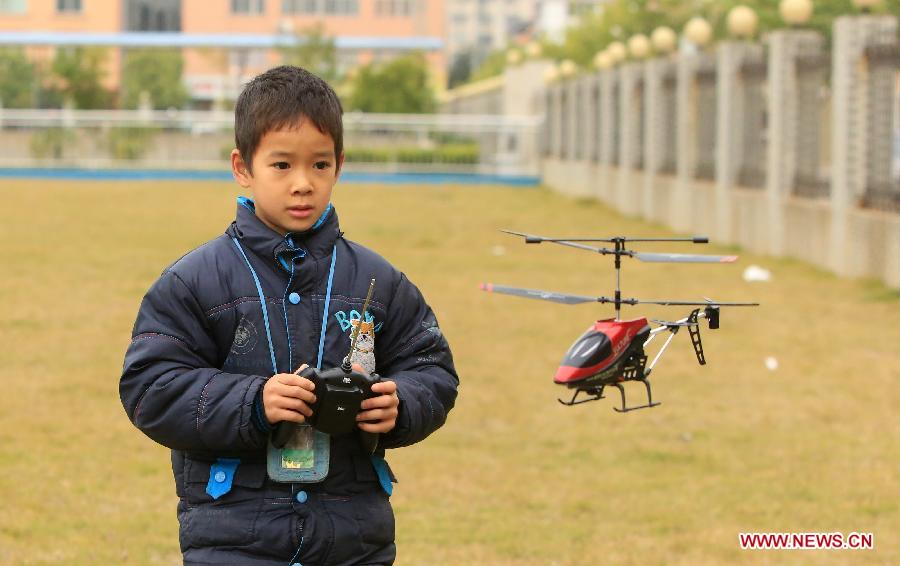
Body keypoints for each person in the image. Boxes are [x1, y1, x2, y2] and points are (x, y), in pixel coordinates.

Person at [119, 65, 458, 565]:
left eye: (319, 165)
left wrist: (401, 405)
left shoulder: (378, 281)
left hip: (353, 542)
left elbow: (432, 368)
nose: (303, 184)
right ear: (243, 167)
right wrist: (253, 400)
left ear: (339, 164)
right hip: (234, 541)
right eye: (282, 165)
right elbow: (150, 387)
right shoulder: (194, 281)